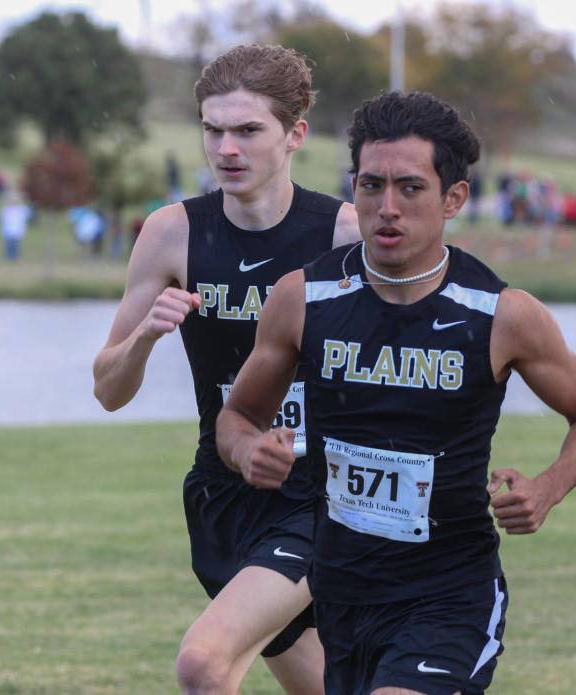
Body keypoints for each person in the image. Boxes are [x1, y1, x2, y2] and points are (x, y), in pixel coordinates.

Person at [216, 91, 576, 695]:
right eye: (371, 185)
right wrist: (249, 452)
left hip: (448, 595)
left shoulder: (500, 315)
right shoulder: (303, 299)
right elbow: (237, 417)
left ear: (453, 198)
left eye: (410, 188)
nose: (386, 208)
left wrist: (547, 488)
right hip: (342, 591)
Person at [92, 44, 358, 695]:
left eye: (247, 130)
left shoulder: (342, 234)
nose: (226, 148)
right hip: (222, 494)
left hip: (321, 494)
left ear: (294, 134)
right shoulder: (171, 233)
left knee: (203, 662)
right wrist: (147, 336)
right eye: (213, 129)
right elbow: (107, 389)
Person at [0, 193, 32, 261]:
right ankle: (9, 257)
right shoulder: (7, 209)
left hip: (17, 230)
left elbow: (28, 214)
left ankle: (14, 257)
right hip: (8, 230)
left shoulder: (21, 209)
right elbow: (2, 216)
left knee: (15, 245)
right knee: (9, 245)